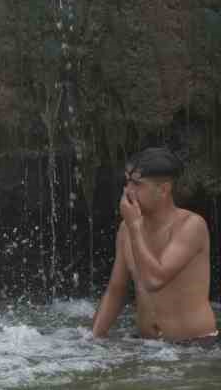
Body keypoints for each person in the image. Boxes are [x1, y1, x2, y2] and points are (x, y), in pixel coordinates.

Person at [90, 147, 216, 343]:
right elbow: (116, 289)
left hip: (193, 347)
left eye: (137, 184)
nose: (127, 191)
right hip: (147, 346)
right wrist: (93, 339)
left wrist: (134, 226)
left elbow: (154, 280)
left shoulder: (191, 225)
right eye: (127, 182)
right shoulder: (127, 228)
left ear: (163, 189)